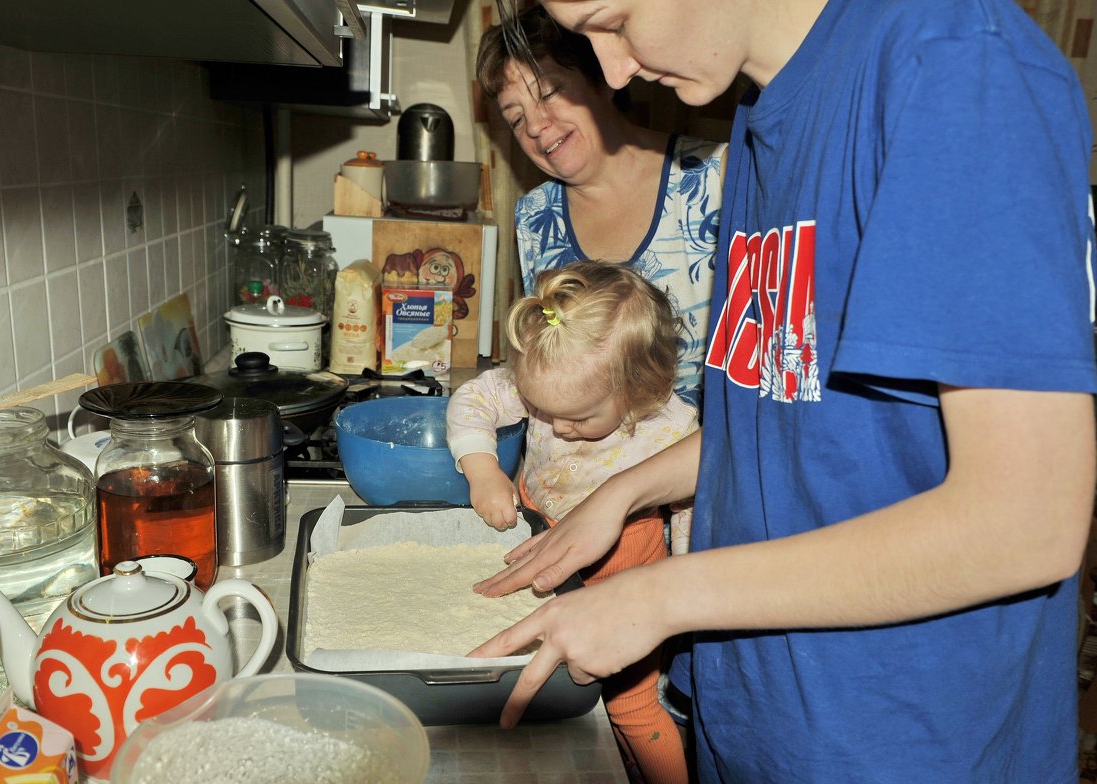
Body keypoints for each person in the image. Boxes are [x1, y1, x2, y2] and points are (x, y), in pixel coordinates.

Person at [469, 1, 1097, 781]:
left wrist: (659, 598)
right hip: (755, 715)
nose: (614, 69)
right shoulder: (762, 116)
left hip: (902, 741)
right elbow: (777, 422)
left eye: (615, 19)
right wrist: (624, 494)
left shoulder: (954, 64)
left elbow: (1025, 523)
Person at [447, 261, 697, 784]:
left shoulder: (672, 427)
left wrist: (682, 582)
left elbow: (692, 502)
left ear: (640, 389)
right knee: (532, 679)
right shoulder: (556, 376)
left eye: (580, 419)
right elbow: (473, 397)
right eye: (540, 409)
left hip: (624, 569)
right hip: (538, 544)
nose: (557, 428)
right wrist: (482, 468)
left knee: (630, 710)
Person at [476, 4, 726, 415]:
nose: (536, 125)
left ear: (603, 79)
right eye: (516, 118)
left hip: (697, 472)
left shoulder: (713, 178)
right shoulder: (535, 218)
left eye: (550, 91)